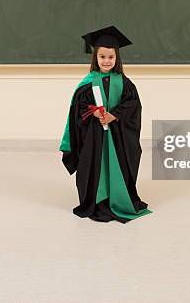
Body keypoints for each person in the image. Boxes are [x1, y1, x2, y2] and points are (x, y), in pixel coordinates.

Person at [59, 25, 152, 223]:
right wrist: (94, 112)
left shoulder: (125, 83)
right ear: (96, 58)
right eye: (102, 57)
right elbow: (79, 107)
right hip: (94, 138)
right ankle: (97, 202)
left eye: (111, 57)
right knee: (94, 166)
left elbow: (132, 105)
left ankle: (118, 200)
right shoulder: (88, 81)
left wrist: (114, 115)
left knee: (120, 164)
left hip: (118, 137)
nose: (107, 61)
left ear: (117, 58)